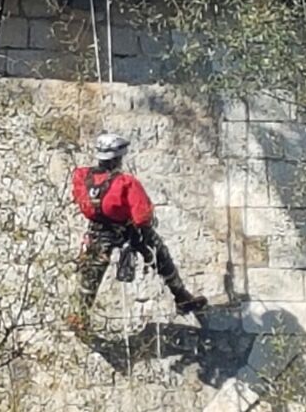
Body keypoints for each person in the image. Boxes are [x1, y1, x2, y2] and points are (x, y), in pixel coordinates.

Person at [67, 132, 207, 335]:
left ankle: (79, 315)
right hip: (128, 230)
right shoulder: (125, 182)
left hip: (97, 231)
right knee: (158, 252)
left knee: (91, 273)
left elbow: (79, 198)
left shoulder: (83, 177)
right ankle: (181, 296)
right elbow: (142, 216)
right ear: (118, 158)